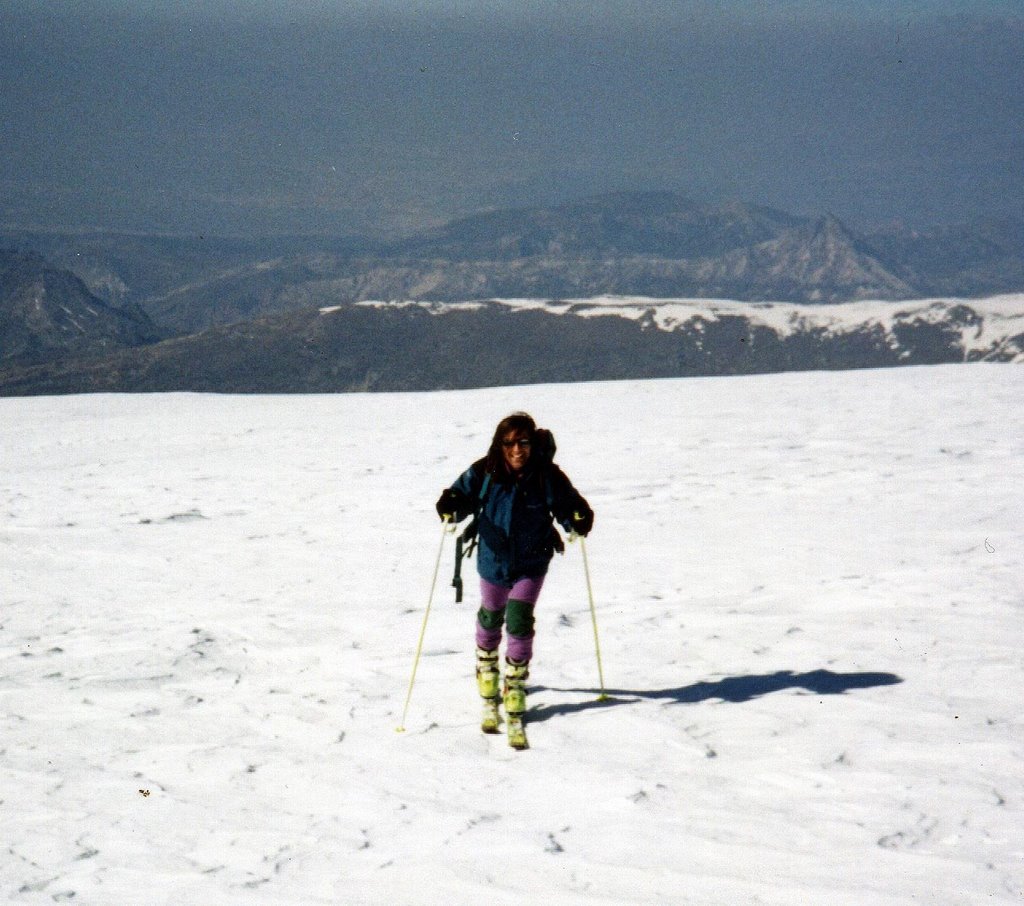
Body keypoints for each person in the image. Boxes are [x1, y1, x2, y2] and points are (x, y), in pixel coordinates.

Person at [436, 412, 593, 743]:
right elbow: (461, 494)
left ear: (532, 443)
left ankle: (515, 686)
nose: (517, 450)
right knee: (491, 616)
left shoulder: (547, 475)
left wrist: (577, 518)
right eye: (509, 443)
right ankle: (488, 670)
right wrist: (451, 504)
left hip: (532, 561)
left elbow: (569, 504)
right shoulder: (487, 470)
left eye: (523, 442)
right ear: (500, 445)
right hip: (493, 559)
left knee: (519, 619)